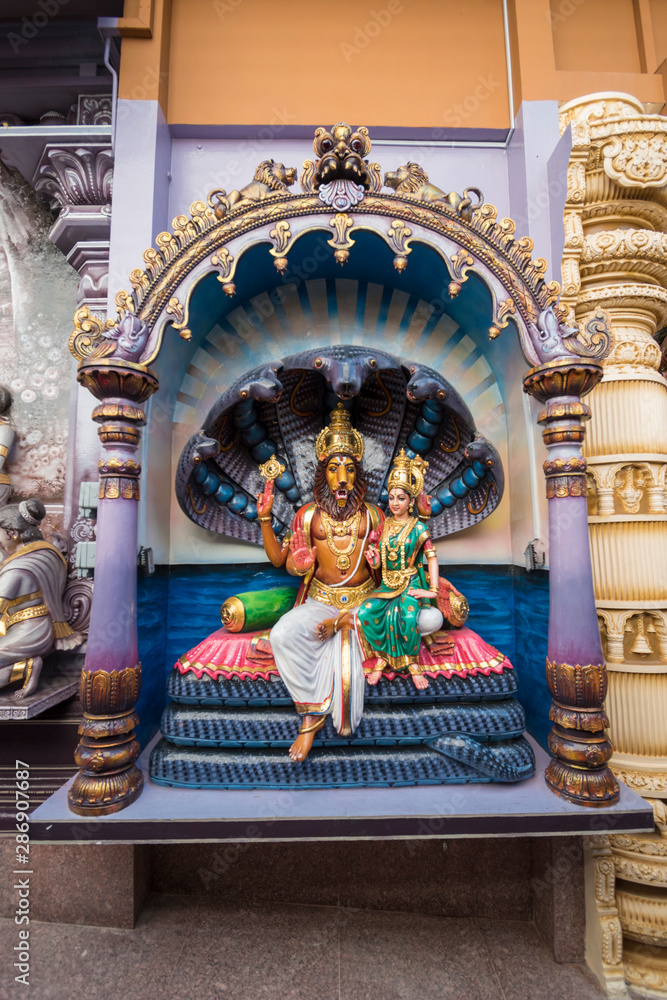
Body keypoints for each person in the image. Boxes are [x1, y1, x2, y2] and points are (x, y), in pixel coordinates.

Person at [355, 450, 443, 690]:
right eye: (392, 497)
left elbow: (432, 558)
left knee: (405, 617)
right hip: (387, 585)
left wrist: (432, 591)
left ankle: (412, 664)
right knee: (365, 614)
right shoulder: (383, 527)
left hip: (411, 584)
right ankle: (383, 657)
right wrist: (372, 559)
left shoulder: (418, 527)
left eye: (401, 498)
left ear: (411, 502)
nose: (395, 503)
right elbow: (378, 564)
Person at [0, 498, 82, 699]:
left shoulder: (18, 569)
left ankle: (26, 666)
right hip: (40, 627)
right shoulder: (46, 554)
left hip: (28, 632)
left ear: (12, 533)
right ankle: (24, 666)